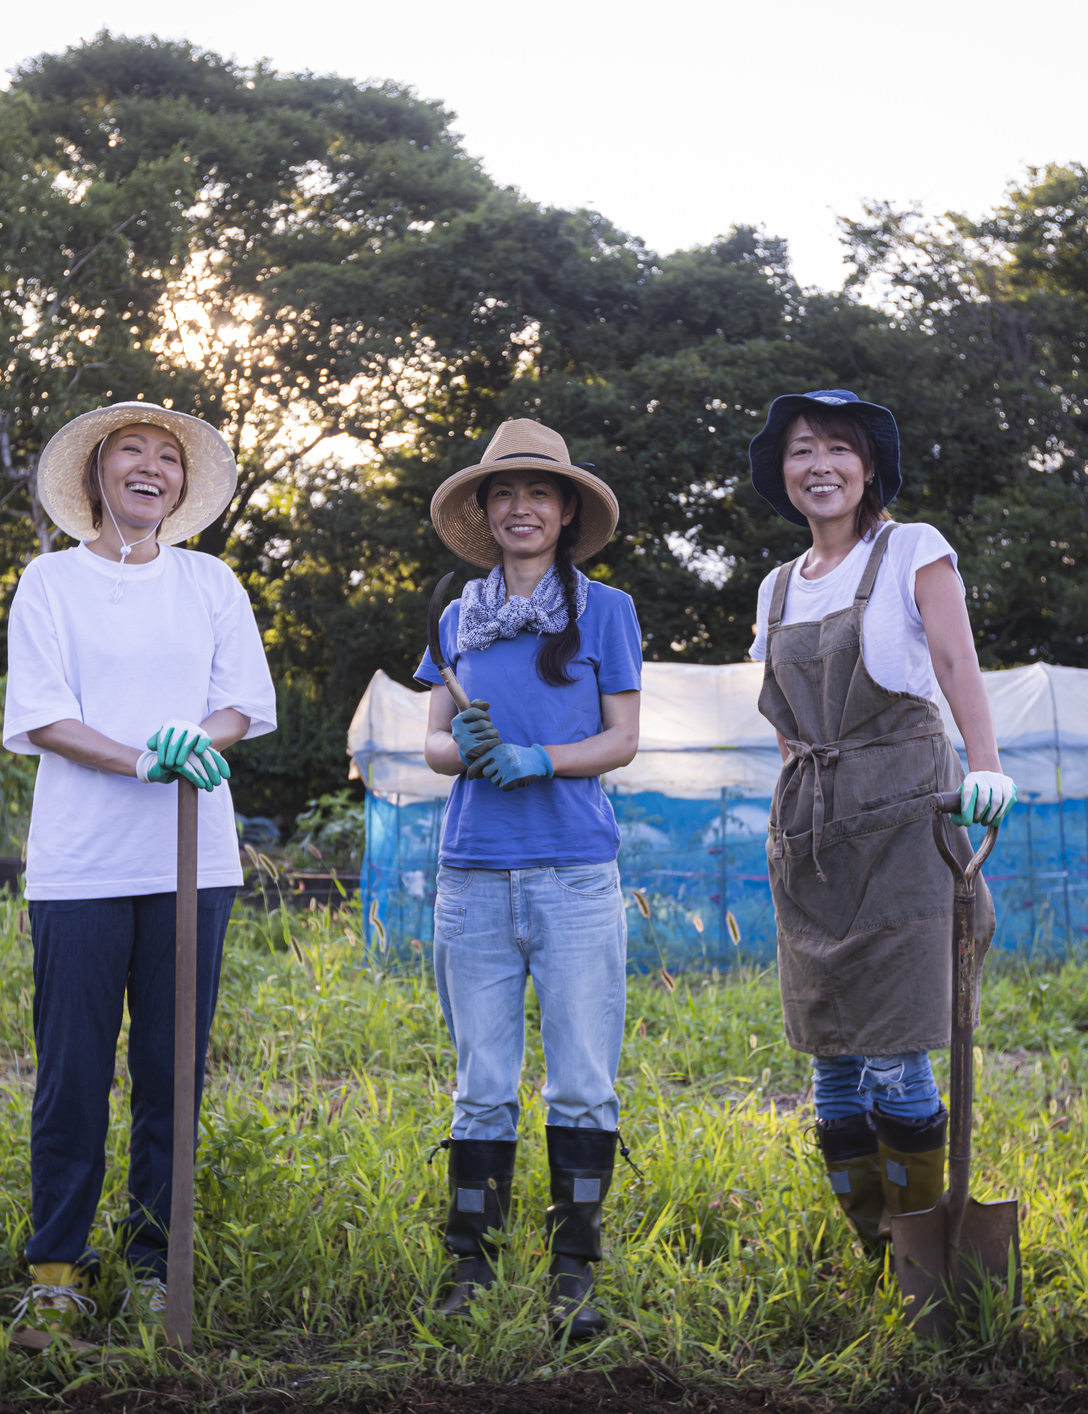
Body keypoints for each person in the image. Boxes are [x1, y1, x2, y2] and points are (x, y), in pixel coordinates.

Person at [1, 401, 277, 1332]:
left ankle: (157, 1261)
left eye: (168, 457)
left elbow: (239, 702)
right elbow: (42, 715)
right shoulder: (49, 584)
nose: (150, 467)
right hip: (80, 866)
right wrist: (141, 757)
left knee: (172, 1072)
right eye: (132, 452)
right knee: (72, 1073)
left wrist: (193, 738)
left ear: (182, 486)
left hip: (192, 863)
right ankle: (55, 1271)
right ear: (98, 474)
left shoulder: (211, 584)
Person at [744, 389, 1015, 1260]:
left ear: (867, 469)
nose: (817, 466)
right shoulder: (778, 586)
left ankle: (922, 1248)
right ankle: (875, 1251)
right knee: (829, 1057)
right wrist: (807, 781)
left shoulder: (911, 549)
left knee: (897, 1049)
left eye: (835, 449)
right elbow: (783, 714)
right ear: (781, 473)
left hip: (907, 819)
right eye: (799, 451)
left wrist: (984, 764)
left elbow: (951, 658)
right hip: (815, 837)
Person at [414, 418, 643, 1340]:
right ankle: (469, 1264)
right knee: (481, 1084)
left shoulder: (607, 612)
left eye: (537, 493)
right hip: (471, 878)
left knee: (583, 1082)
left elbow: (622, 739)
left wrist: (540, 758)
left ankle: (574, 1270)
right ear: (484, 510)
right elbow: (432, 741)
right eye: (502, 493)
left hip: (574, 876)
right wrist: (460, 750)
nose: (519, 507)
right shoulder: (453, 615)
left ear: (566, 513)